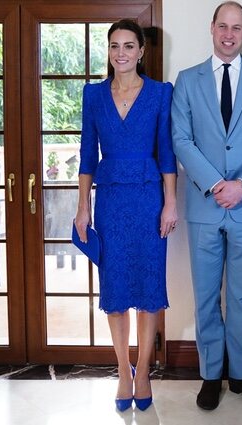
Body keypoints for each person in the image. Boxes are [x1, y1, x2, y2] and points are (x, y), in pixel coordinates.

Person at [171, 1, 242, 411]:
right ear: (212, 27)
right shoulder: (186, 80)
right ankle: (209, 376)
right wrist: (218, 184)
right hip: (204, 206)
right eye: (224, 26)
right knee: (204, 296)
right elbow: (181, 140)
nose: (230, 34)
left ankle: (241, 375)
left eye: (238, 27)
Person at [74, 19, 178, 412]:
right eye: (115, 46)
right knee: (116, 289)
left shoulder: (159, 93)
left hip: (150, 199)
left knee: (150, 288)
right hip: (111, 202)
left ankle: (144, 372)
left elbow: (166, 153)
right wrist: (83, 206)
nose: (121, 53)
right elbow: (87, 156)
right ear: (109, 51)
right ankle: (122, 370)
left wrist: (170, 202)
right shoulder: (93, 95)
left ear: (141, 51)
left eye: (129, 46)